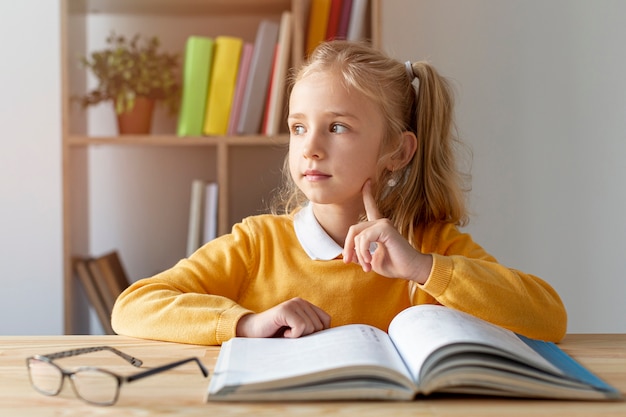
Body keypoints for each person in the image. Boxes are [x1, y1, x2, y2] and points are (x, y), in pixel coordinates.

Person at [111, 40, 567, 345]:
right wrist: (246, 323)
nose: (310, 148)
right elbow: (132, 307)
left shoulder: (429, 246)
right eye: (298, 127)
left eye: (337, 127)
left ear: (397, 150)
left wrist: (423, 268)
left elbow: (548, 316)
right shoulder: (257, 244)